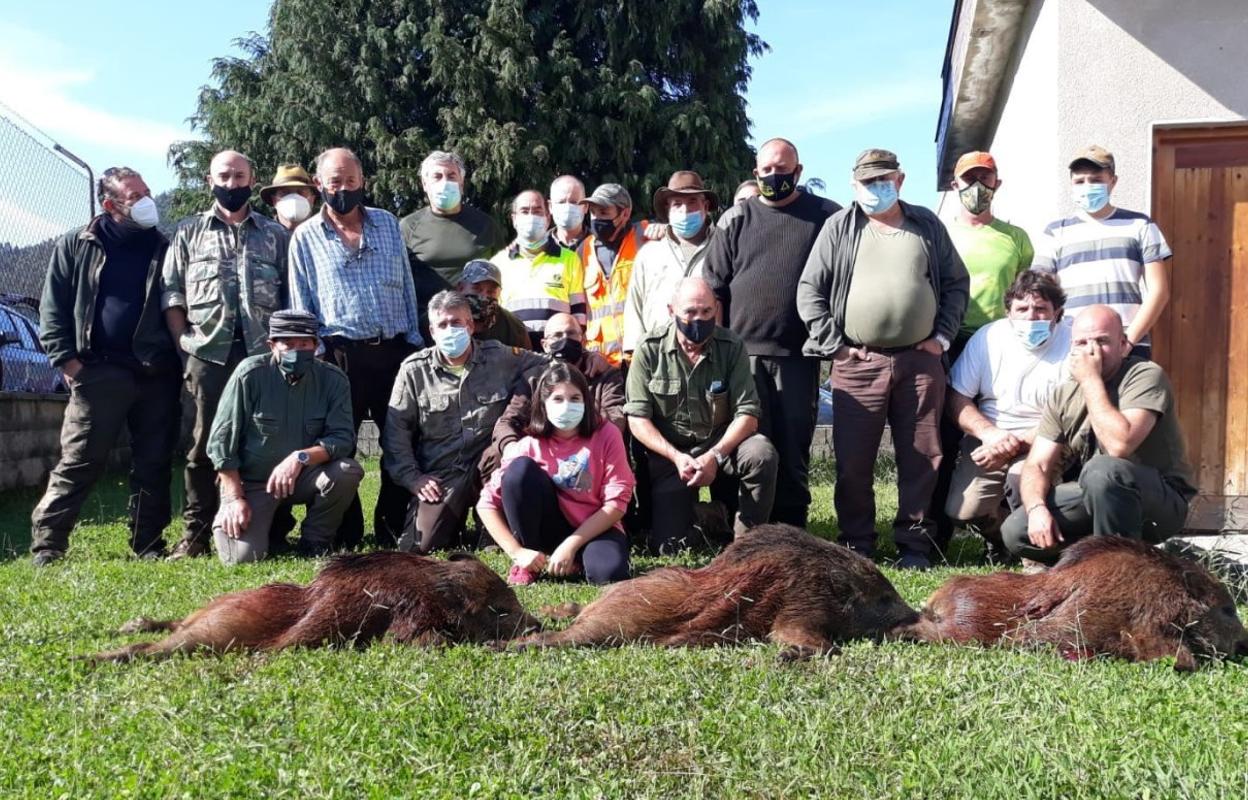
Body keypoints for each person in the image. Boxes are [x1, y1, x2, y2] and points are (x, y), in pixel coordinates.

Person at [797, 148, 969, 569]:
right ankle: (857, 544)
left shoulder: (926, 224)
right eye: (868, 183)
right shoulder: (840, 227)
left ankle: (914, 545)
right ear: (854, 186)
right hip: (858, 363)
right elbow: (809, 290)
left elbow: (956, 283)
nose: (877, 189)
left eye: (884, 180)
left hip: (920, 362)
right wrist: (833, 345)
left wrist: (943, 337)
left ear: (900, 180)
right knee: (854, 460)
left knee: (923, 455)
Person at [30, 167, 181, 566]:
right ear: (110, 203)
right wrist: (68, 361)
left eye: (147, 192)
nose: (147, 201)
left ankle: (147, 543)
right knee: (80, 459)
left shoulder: (163, 246)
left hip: (155, 371)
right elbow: (53, 306)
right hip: (99, 371)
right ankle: (48, 544)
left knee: (154, 461)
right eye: (135, 196)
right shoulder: (77, 244)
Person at [289, 147, 424, 549]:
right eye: (334, 182)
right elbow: (300, 302)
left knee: (399, 443)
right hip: (338, 353)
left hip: (392, 350)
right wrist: (312, 356)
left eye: (350, 181)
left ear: (362, 181)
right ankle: (344, 533)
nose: (343, 189)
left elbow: (406, 286)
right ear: (319, 185)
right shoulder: (305, 237)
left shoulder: (386, 224)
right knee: (340, 444)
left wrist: (413, 343)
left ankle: (393, 527)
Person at [705, 138, 841, 528]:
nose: (773, 177)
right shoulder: (736, 219)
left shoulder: (825, 216)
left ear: (798, 172)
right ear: (756, 172)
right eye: (766, 170)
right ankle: (735, 526)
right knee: (742, 444)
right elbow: (714, 286)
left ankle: (791, 529)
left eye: (782, 171)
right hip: (740, 356)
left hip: (799, 356)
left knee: (793, 447)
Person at [162, 149, 291, 560]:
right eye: (224, 176)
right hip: (208, 354)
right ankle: (196, 532)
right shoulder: (188, 232)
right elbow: (172, 294)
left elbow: (291, 295)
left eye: (239, 176)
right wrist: (184, 347)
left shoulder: (275, 235)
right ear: (209, 180)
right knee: (203, 444)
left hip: (262, 354)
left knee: (267, 440)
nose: (232, 184)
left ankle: (275, 529)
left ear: (252, 181)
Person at [1000, 305, 1195, 565]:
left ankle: (1119, 574)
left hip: (1158, 501)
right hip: (1096, 492)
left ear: (1124, 345)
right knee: (1016, 532)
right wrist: (1037, 510)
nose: (1091, 351)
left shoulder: (1145, 375)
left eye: (1102, 341)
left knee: (1103, 470)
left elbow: (1119, 446)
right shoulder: (1064, 394)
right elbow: (1038, 463)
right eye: (1081, 342)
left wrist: (1091, 379)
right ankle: (1092, 566)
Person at [384, 290, 546, 553]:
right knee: (418, 546)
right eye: (443, 324)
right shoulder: (413, 370)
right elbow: (396, 432)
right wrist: (413, 479)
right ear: (432, 331)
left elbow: (547, 365)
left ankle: (493, 534)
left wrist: (592, 360)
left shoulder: (500, 357)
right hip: (443, 470)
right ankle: (452, 519)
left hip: (490, 462)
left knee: (505, 457)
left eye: (456, 323)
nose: (450, 330)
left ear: (470, 325)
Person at [625, 277, 779, 553]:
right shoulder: (649, 350)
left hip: (721, 445)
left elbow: (748, 414)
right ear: (672, 311)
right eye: (690, 312)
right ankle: (713, 518)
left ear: (716, 309)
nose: (699, 319)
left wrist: (715, 456)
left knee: (761, 453)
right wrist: (675, 456)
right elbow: (637, 419)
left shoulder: (731, 346)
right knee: (669, 547)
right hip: (672, 453)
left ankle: (748, 546)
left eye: (706, 312)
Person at [930, 150, 1035, 553]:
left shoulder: (1015, 238)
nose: (977, 188)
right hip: (949, 339)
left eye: (985, 179)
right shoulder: (940, 233)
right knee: (943, 434)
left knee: (995, 425)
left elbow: (1025, 292)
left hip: (998, 342)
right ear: (955, 185)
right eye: (968, 179)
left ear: (997, 183)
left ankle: (1003, 529)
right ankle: (937, 528)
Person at [207, 310, 363, 564]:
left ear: (315, 344)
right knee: (241, 558)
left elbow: (343, 438)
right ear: (271, 345)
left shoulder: (333, 380)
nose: (296, 351)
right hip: (253, 482)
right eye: (287, 344)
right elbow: (221, 443)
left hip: (304, 477)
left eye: (304, 344)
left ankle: (315, 541)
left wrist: (300, 457)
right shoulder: (249, 374)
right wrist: (234, 498)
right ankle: (248, 521)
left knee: (347, 470)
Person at [944, 271, 1072, 559]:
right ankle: (1004, 541)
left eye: (1041, 309)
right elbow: (956, 396)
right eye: (1022, 309)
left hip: (1048, 439)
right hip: (990, 437)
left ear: (1058, 313)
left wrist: (1012, 444)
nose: (1031, 317)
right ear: (1008, 311)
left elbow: (1071, 412)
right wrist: (991, 436)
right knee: (962, 512)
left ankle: (1038, 555)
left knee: (1019, 479)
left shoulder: (1073, 341)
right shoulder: (988, 337)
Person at [478, 361, 634, 585]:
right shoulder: (530, 443)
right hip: (548, 528)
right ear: (544, 404)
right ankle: (530, 560)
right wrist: (516, 551)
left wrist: (571, 545)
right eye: (558, 399)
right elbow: (486, 503)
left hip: (595, 527)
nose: (567, 405)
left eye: (575, 398)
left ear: (586, 401)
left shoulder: (607, 434)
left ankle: (574, 561)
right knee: (519, 471)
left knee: (609, 575)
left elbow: (617, 503)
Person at [1033, 145, 1172, 359]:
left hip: (1128, 346)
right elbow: (1042, 293)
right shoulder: (1055, 232)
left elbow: (1159, 290)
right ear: (1071, 184)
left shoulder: (1140, 225)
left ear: (1113, 181)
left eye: (1096, 180)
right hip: (1073, 346)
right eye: (1080, 181)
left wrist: (1129, 340)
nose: (1087, 186)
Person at [485, 312, 626, 479]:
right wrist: (513, 449)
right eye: (557, 335)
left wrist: (583, 445)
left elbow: (615, 417)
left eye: (571, 333)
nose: (565, 340)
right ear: (545, 345)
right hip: (542, 456)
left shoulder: (605, 374)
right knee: (495, 455)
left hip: (590, 453)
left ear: (584, 340)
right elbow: (508, 421)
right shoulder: (533, 378)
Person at [400, 150, 507, 336]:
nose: (445, 182)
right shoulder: (407, 227)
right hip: (428, 330)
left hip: (479, 328)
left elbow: (504, 273)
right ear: (425, 184)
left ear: (461, 183)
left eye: (451, 176)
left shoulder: (485, 224)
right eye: (437, 176)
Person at [624, 171, 719, 354]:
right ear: (668, 210)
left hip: (711, 355)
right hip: (657, 355)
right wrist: (634, 353)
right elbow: (634, 307)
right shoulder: (649, 253)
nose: (685, 210)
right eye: (677, 204)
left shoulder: (722, 249)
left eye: (692, 203)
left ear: (705, 206)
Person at [490, 189, 587, 348]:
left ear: (548, 218)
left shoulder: (570, 259)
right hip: (514, 353)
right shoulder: (498, 263)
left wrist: (577, 349)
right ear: (514, 219)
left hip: (558, 351)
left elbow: (579, 314)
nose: (531, 216)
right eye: (524, 211)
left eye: (537, 211)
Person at [576, 183, 648, 366]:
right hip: (601, 363)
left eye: (604, 213)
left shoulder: (645, 236)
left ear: (625, 214)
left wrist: (666, 231)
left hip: (642, 357)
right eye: (593, 213)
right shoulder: (583, 250)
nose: (596, 218)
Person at [457, 259, 530, 349]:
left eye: (491, 291)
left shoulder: (514, 327)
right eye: (477, 289)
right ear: (460, 288)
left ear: (499, 293)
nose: (484, 296)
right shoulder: (445, 319)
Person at [260, 164, 318, 231]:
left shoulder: (323, 237)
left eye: (301, 192)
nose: (294, 198)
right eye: (285, 193)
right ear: (274, 200)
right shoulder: (261, 236)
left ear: (312, 199)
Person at [549, 174, 588, 250]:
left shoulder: (600, 246)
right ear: (550, 207)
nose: (568, 207)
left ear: (585, 206)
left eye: (574, 202)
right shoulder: (537, 248)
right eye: (561, 202)